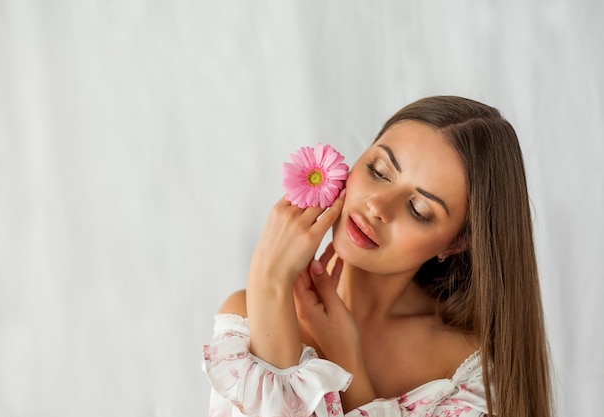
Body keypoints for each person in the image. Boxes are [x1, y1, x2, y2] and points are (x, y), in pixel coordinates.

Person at [202, 96, 554, 417]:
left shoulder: (466, 370)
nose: (377, 207)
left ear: (457, 244)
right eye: (379, 171)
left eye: (418, 208)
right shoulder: (246, 318)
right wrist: (269, 283)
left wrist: (348, 359)